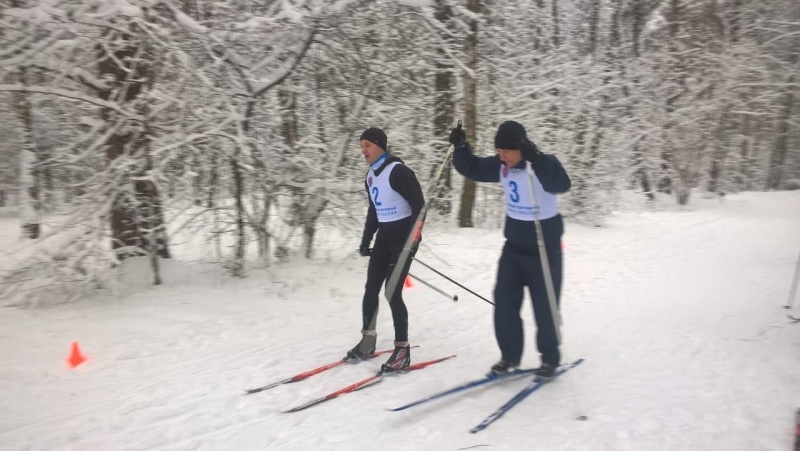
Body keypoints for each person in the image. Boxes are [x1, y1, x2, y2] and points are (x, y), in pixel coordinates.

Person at [449, 121, 571, 379]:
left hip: (544, 249)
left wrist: (536, 159)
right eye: (498, 151)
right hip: (514, 248)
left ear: (522, 148)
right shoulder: (501, 166)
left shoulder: (542, 165)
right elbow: (472, 167)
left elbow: (561, 184)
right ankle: (510, 357)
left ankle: (549, 359)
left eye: (507, 151)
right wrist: (460, 147)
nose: (501, 156)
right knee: (504, 302)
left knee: (545, 306)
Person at [346, 127, 425, 373]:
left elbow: (420, 206)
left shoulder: (398, 171)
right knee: (371, 288)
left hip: (404, 239)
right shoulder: (370, 176)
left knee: (392, 291)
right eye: (361, 146)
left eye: (367, 145)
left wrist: (412, 239)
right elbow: (374, 211)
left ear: (380, 145)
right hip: (384, 238)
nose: (363, 151)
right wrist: (366, 239)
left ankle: (402, 351)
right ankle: (368, 340)